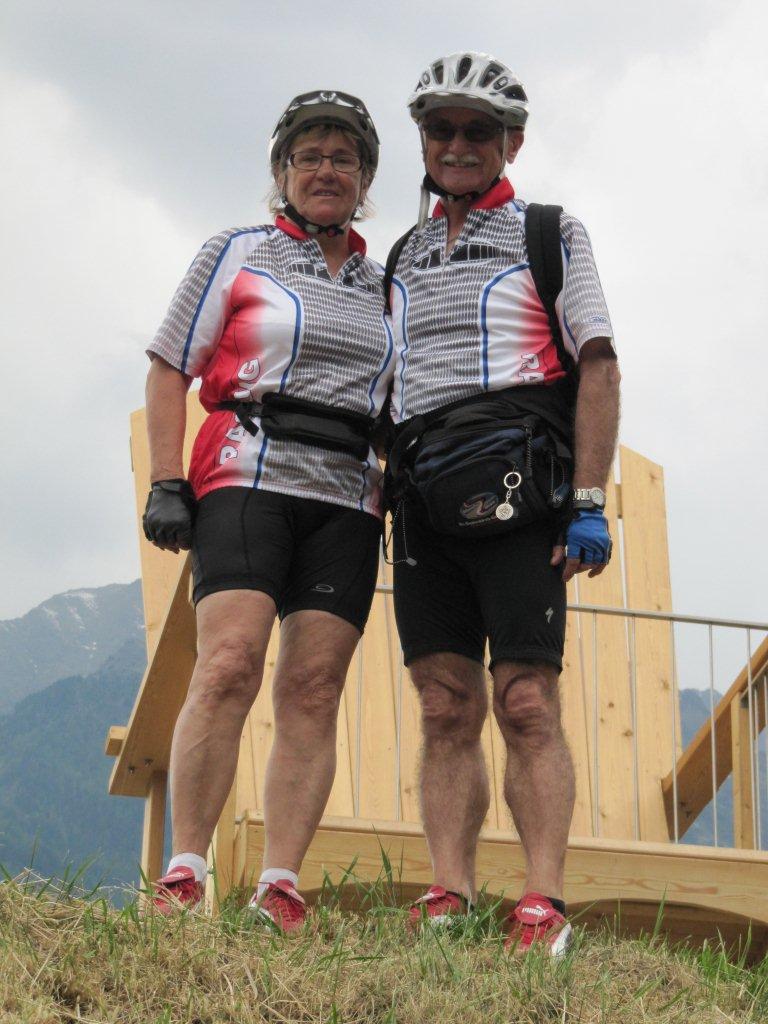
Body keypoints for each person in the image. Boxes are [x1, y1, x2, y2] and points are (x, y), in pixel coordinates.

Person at [386, 52, 620, 956]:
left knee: (525, 701)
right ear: (423, 141)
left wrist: (590, 501)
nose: (457, 145)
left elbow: (598, 364)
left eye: (477, 130)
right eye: (440, 129)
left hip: (525, 492)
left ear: (511, 142)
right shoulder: (402, 254)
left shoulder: (550, 233)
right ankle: (448, 893)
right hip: (422, 499)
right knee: (444, 704)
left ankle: (543, 902)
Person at [142, 90, 393, 931]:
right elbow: (169, 366)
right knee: (228, 665)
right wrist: (165, 479)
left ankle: (280, 885)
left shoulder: (384, 285)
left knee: (314, 687)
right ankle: (185, 873)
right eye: (309, 156)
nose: (326, 170)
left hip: (348, 493)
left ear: (365, 181)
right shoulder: (237, 250)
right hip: (247, 470)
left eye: (344, 159)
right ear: (282, 171)